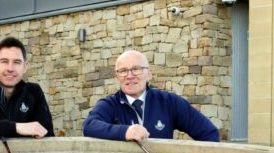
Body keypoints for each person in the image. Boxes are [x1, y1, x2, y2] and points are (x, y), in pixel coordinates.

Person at [83, 50, 219, 143]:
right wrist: (124, 132)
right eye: (123, 71)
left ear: (149, 74)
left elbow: (209, 133)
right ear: (117, 76)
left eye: (136, 69)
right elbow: (89, 126)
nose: (130, 75)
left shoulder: (169, 102)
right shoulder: (110, 104)